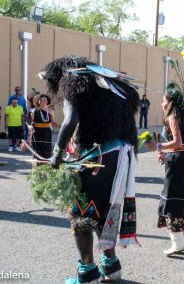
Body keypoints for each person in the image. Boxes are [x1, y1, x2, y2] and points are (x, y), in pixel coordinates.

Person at [42, 56, 140, 283]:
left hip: (97, 157)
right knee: (104, 210)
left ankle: (87, 272)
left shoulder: (74, 82)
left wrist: (56, 154)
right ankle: (111, 265)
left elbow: (71, 120)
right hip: (120, 157)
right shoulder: (113, 86)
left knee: (81, 213)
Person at [146, 89, 184, 255]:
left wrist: (158, 146)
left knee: (172, 200)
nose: (162, 104)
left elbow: (177, 141)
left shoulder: (173, 116)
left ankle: (178, 243)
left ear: (171, 103)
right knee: (180, 197)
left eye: (164, 101)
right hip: (183, 159)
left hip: (178, 161)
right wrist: (165, 151)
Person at [29, 94, 55, 159]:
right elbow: (30, 123)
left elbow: (53, 122)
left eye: (45, 100)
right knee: (37, 150)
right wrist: (30, 128)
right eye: (41, 100)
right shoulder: (34, 111)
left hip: (47, 132)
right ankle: (37, 166)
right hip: (37, 133)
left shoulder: (51, 111)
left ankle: (46, 166)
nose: (43, 102)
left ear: (47, 101)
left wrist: (63, 126)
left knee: (47, 149)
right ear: (38, 101)